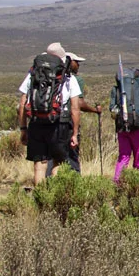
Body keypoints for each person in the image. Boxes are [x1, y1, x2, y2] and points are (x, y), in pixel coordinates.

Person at [18, 42, 81, 185]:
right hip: (59, 124)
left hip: (36, 123)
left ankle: (41, 198)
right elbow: (75, 109)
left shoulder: (33, 74)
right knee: (58, 162)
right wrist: (75, 133)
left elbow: (22, 104)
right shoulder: (68, 77)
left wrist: (23, 129)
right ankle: (53, 198)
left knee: (39, 164)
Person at [46, 51, 101, 175]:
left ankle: (48, 183)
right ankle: (74, 182)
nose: (79, 65)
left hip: (51, 120)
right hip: (68, 122)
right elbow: (79, 104)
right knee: (72, 155)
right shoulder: (75, 80)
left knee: (52, 156)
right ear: (70, 63)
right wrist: (94, 110)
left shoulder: (50, 77)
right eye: (77, 62)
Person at [111, 68, 139, 182]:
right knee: (138, 158)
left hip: (122, 127)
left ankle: (117, 183)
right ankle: (138, 184)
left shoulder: (117, 90)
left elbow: (112, 111)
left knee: (123, 157)